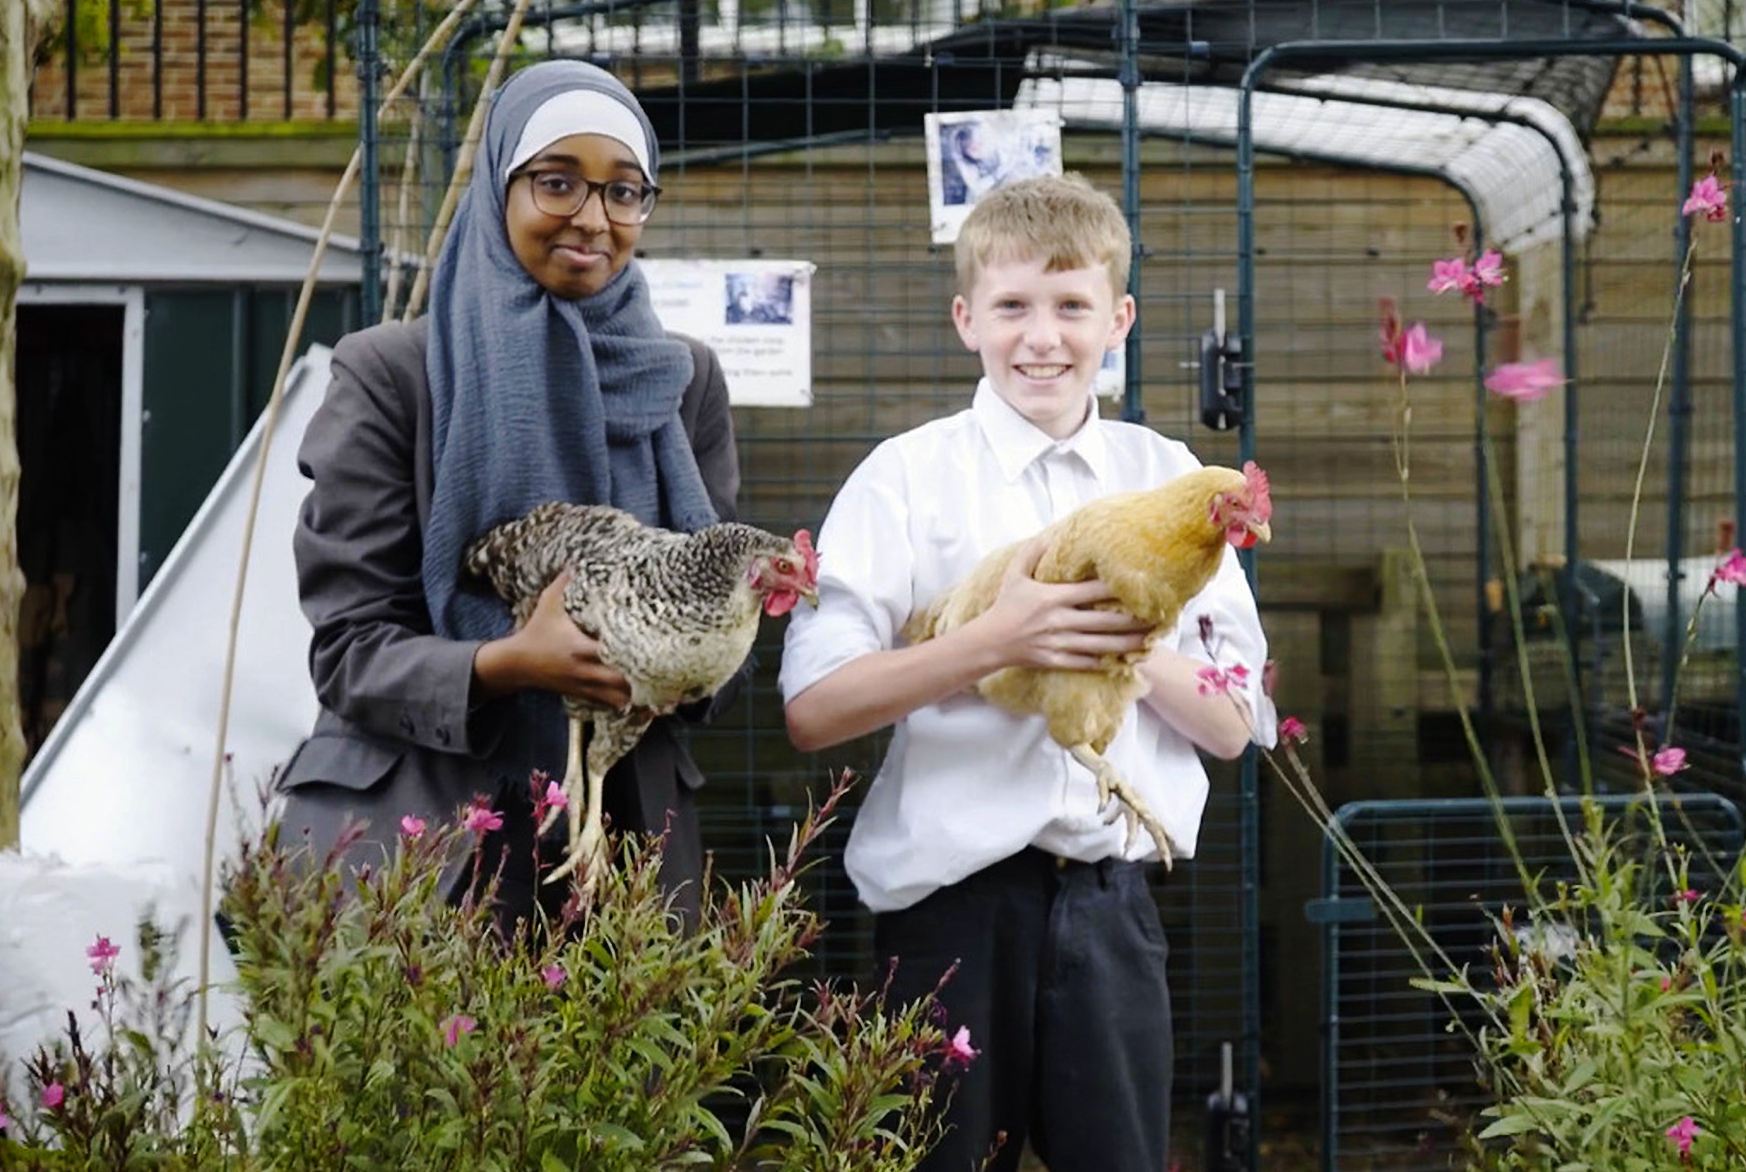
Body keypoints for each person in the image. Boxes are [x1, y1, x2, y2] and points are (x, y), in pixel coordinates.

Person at [778, 173, 1275, 1172]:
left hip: (1111, 908)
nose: (1040, 337)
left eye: (1070, 307)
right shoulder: (906, 479)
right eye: (1011, 307)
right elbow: (814, 708)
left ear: (1118, 319)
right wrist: (998, 642)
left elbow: (1233, 725)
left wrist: (1125, 652)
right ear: (967, 318)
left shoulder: (1171, 480)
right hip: (946, 912)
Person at [277, 59, 741, 928]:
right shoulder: (395, 374)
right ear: (500, 185)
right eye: (558, 183)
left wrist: (684, 656)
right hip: (434, 844)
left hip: (622, 842)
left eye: (625, 192)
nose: (594, 219)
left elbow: (715, 627)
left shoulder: (686, 381)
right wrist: (509, 663)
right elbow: (349, 651)